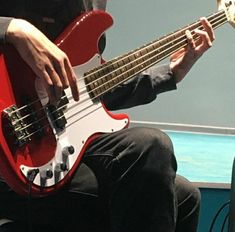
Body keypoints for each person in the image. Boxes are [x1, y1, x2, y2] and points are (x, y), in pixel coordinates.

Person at [0, 0, 215, 232]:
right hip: (8, 160)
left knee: (186, 196)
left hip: (55, 147)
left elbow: (85, 88)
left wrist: (171, 73)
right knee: (150, 145)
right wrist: (11, 28)